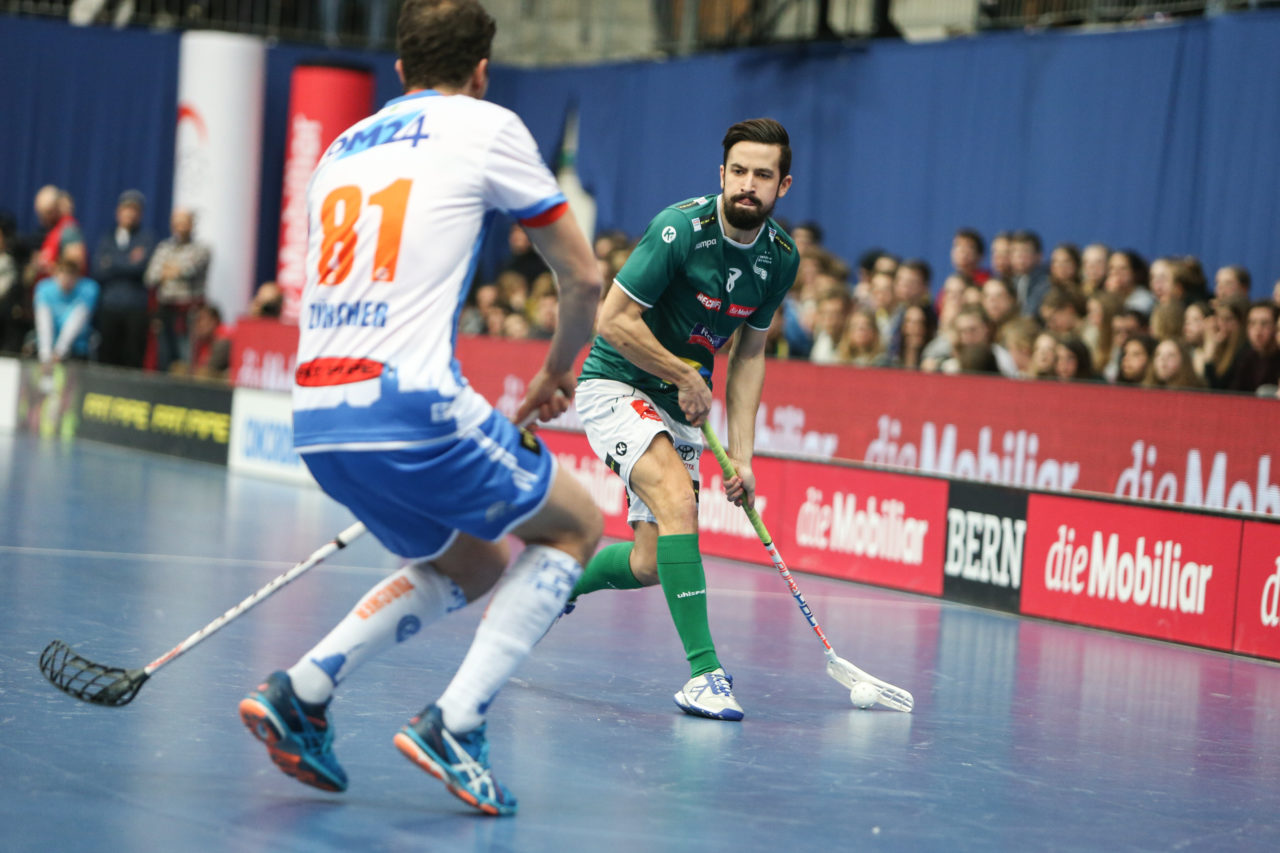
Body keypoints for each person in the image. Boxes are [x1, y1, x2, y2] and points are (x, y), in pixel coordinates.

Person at [238, 0, 603, 817]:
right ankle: (457, 721)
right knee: (576, 525)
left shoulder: (338, 147)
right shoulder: (484, 123)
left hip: (317, 412)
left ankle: (301, 691)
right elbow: (581, 279)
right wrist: (554, 369)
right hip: (411, 402)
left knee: (469, 562)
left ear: (398, 70)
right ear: (481, 72)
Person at [566, 117, 800, 722]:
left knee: (648, 562)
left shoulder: (779, 258)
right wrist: (684, 373)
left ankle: (552, 586)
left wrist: (744, 455)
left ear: (783, 186)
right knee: (678, 501)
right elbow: (612, 320)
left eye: (763, 175)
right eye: (739, 172)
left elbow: (750, 353)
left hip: (678, 401)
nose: (749, 185)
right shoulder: (680, 230)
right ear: (722, 175)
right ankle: (705, 674)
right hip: (615, 382)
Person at [94, 190, 155, 369]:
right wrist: (128, 260)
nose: (129, 214)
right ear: (118, 212)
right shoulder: (107, 238)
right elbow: (99, 271)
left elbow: (142, 269)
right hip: (109, 306)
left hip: (135, 307)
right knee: (107, 355)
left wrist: (113, 262)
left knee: (133, 357)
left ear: (140, 214)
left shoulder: (147, 238)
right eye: (126, 209)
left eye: (134, 210)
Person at [145, 207, 211, 369]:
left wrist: (170, 270)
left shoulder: (201, 249)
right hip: (165, 309)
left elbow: (188, 270)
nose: (180, 226)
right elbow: (150, 277)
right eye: (177, 223)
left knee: (186, 355)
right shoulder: (164, 247)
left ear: (192, 225)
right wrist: (172, 271)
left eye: (184, 222)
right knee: (164, 355)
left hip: (188, 312)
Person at [34, 254, 99, 368]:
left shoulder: (89, 289)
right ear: (56, 273)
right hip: (47, 350)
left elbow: (76, 321)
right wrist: (45, 355)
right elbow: (44, 323)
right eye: (63, 273)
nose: (66, 278)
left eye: (71, 274)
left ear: (77, 276)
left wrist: (59, 352)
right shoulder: (44, 288)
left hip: (77, 350)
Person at [1228, 302, 1280, 393]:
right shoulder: (1245, 356)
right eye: (1252, 323)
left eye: (1264, 324)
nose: (1257, 331)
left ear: (1276, 327)